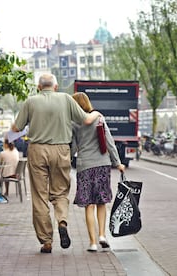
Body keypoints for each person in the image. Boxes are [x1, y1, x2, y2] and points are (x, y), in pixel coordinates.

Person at [11, 73, 101, 253]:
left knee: (39, 196)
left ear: (38, 86)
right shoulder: (66, 99)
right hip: (61, 149)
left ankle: (46, 241)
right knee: (60, 192)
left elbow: (15, 129)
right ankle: (62, 221)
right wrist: (96, 113)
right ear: (56, 86)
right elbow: (86, 120)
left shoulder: (31, 101)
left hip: (37, 150)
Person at [71, 92, 125, 252]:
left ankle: (93, 242)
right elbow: (109, 142)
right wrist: (118, 163)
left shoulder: (74, 123)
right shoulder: (99, 119)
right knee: (101, 202)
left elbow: (73, 148)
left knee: (89, 204)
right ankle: (102, 235)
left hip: (84, 165)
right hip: (102, 164)